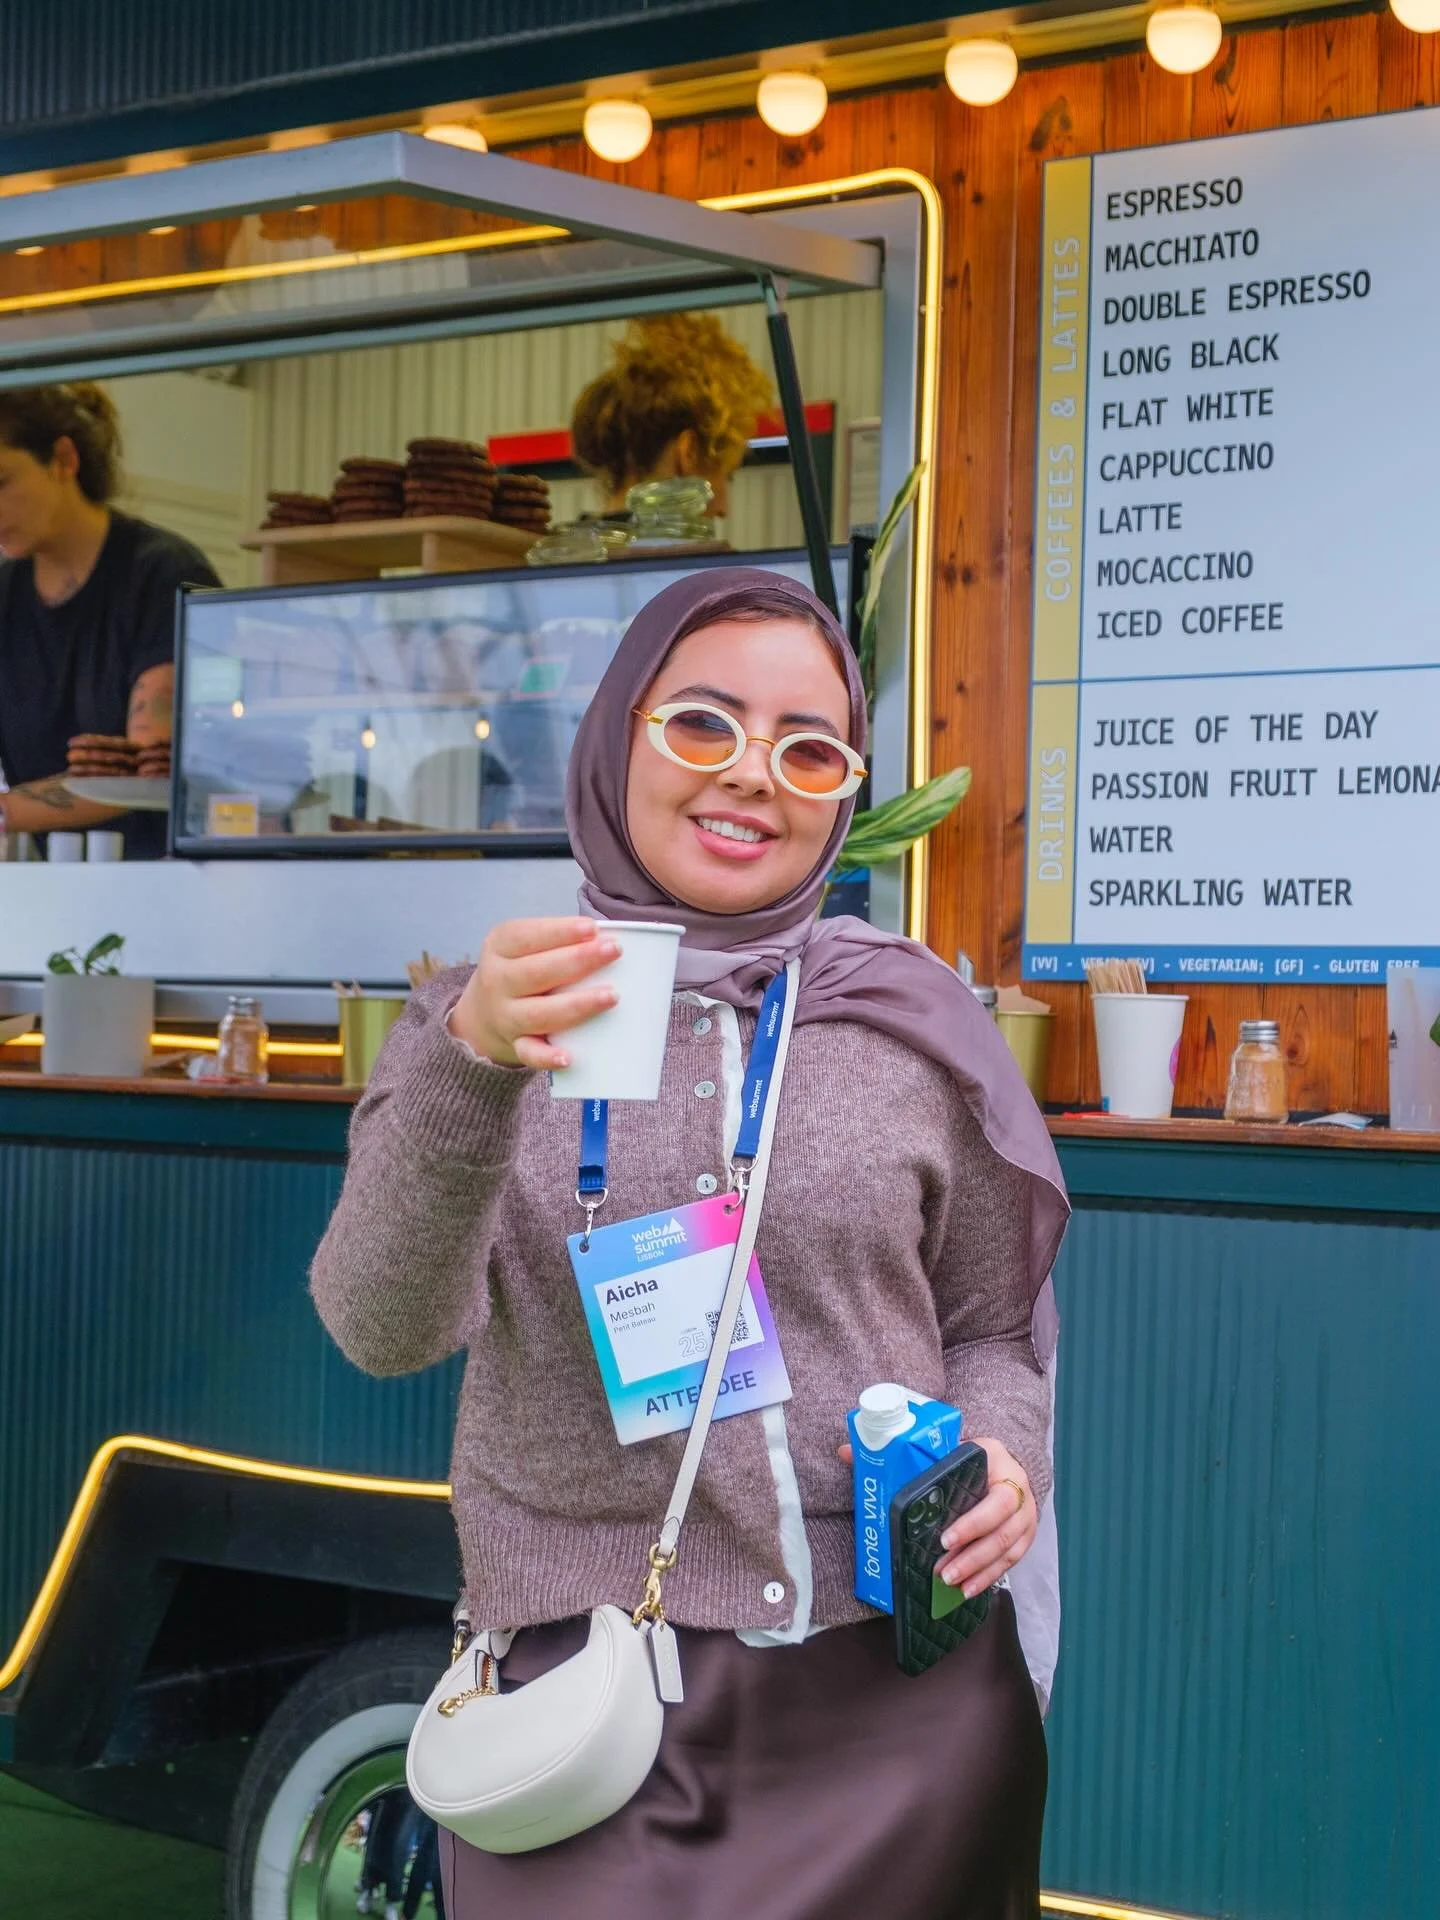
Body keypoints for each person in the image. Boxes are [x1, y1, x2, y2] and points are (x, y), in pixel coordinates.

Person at [311, 568, 1069, 1919]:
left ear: (844, 788)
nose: (752, 778)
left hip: (904, 1697)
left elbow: (992, 1329)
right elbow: (382, 1329)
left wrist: (1006, 1449)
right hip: (595, 1711)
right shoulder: (495, 1022)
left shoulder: (903, 1025)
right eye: (703, 724)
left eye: (808, 747)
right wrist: (477, 1068)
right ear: (619, 739)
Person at [0, 381, 220, 858]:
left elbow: (143, 774)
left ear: (63, 459)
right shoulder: (5, 595)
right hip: (63, 893)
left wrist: (7, 812)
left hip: (169, 885)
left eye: (2, 481)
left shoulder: (165, 575)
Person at [570, 312, 773, 521]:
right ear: (689, 453)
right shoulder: (692, 553)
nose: (723, 509)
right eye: (726, 476)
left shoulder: (564, 549)